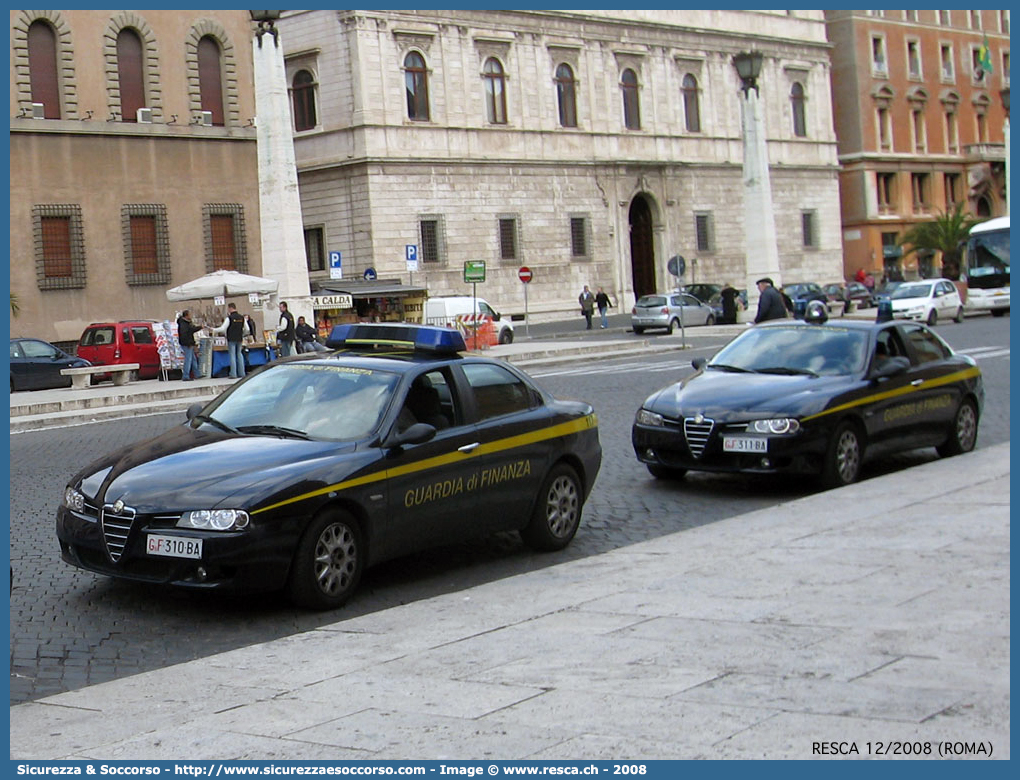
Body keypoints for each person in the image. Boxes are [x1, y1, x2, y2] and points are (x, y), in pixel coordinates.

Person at [211, 302, 248, 379]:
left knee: (232, 355)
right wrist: (242, 334)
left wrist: (213, 330)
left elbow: (223, 328)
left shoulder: (229, 318)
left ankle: (233, 374)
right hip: (239, 338)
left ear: (230, 308)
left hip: (231, 338)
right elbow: (247, 329)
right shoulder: (242, 318)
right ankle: (242, 373)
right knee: (239, 354)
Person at [176, 309, 202, 381]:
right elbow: (185, 334)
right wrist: (188, 343)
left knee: (193, 359)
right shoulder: (183, 324)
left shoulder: (187, 323)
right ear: (186, 316)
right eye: (190, 315)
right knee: (188, 359)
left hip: (189, 343)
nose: (191, 316)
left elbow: (192, 329)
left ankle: (197, 374)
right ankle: (185, 376)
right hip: (187, 344)